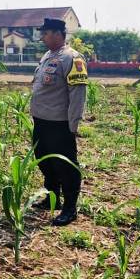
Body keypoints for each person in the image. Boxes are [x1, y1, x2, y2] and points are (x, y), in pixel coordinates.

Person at [30, 17, 88, 226]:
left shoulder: (72, 58)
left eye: (45, 33)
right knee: (45, 161)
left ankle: (70, 208)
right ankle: (52, 198)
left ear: (56, 33)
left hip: (60, 124)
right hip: (41, 122)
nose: (42, 37)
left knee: (66, 166)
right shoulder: (48, 55)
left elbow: (77, 95)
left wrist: (72, 126)